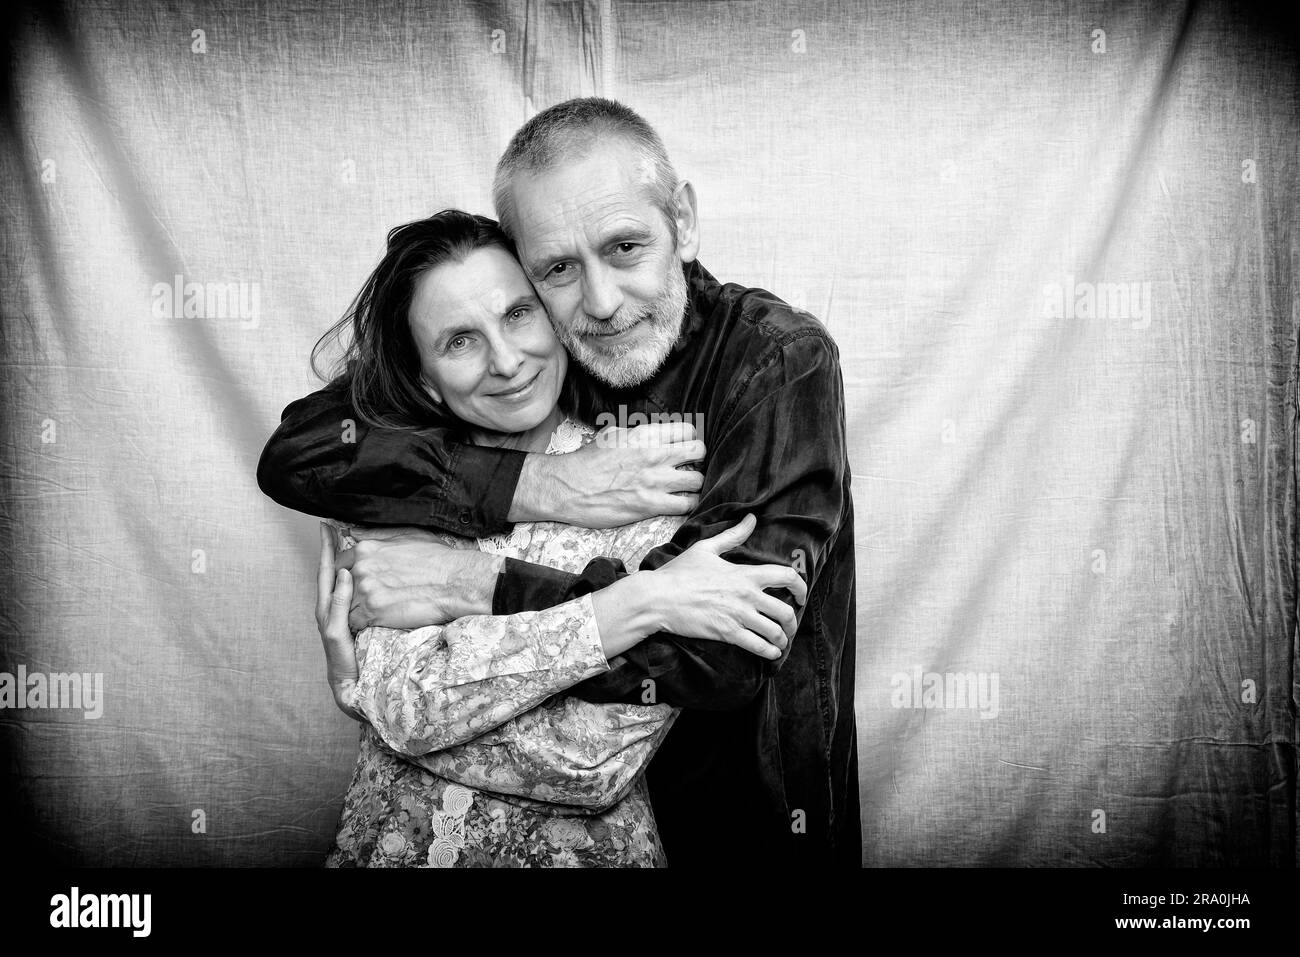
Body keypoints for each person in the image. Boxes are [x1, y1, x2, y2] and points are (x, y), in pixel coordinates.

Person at [259, 97, 860, 867]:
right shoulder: (530, 354)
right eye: (559, 269)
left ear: (684, 219)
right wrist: (544, 483)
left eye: (626, 247)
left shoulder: (775, 363)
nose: (603, 303)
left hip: (744, 817)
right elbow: (299, 453)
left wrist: (469, 586)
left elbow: (721, 655)